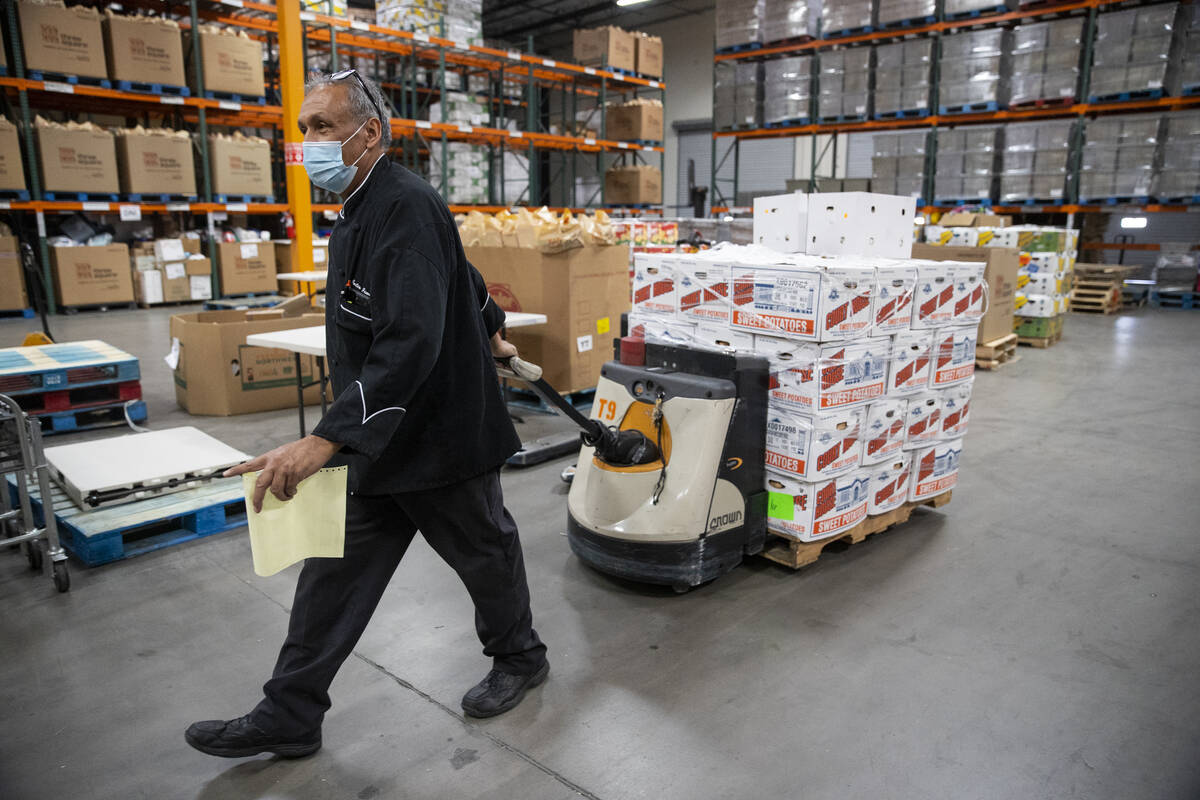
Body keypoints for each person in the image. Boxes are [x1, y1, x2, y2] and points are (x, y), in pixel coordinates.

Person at [185, 70, 548, 760]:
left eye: (323, 127)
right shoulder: (361, 205)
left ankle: (521, 658)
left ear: (368, 132)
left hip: (439, 433)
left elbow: (408, 340)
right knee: (333, 574)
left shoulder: (401, 204)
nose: (310, 143)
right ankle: (289, 711)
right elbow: (457, 273)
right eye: (304, 132)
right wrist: (493, 325)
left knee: (484, 554)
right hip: (378, 437)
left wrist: (326, 438)